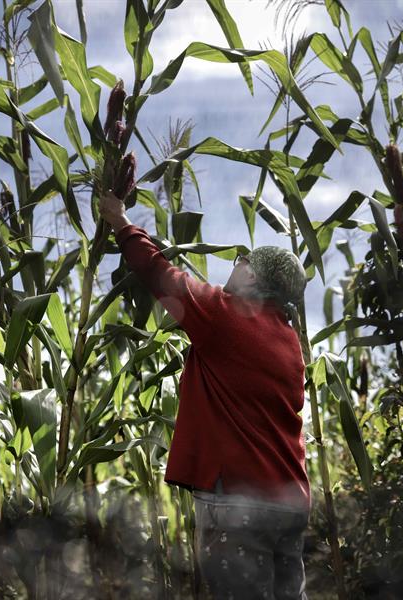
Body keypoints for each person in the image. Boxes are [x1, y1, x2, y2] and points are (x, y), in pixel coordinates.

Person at [98, 190, 311, 600]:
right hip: (290, 503)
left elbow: (162, 276)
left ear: (251, 276)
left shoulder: (226, 315)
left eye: (240, 262)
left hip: (239, 505)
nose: (233, 269)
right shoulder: (289, 341)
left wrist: (120, 222)